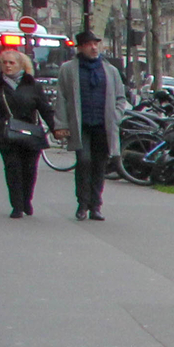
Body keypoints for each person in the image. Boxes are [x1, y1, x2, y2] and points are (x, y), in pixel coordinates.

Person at [54, 31, 128, 221]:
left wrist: (116, 116)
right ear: (80, 47)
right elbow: (61, 98)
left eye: (96, 44)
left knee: (99, 164)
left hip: (103, 125)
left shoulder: (110, 70)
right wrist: (61, 124)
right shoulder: (69, 69)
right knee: (84, 161)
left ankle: (96, 205)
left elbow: (121, 98)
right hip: (81, 125)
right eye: (89, 44)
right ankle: (82, 203)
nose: (94, 48)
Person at [0, 45, 59, 217]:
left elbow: (45, 109)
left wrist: (56, 128)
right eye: (4, 63)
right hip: (7, 135)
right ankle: (17, 205)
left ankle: (26, 200)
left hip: (30, 135)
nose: (8, 66)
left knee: (29, 170)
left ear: (20, 65)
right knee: (12, 169)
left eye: (12, 63)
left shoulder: (32, 85)